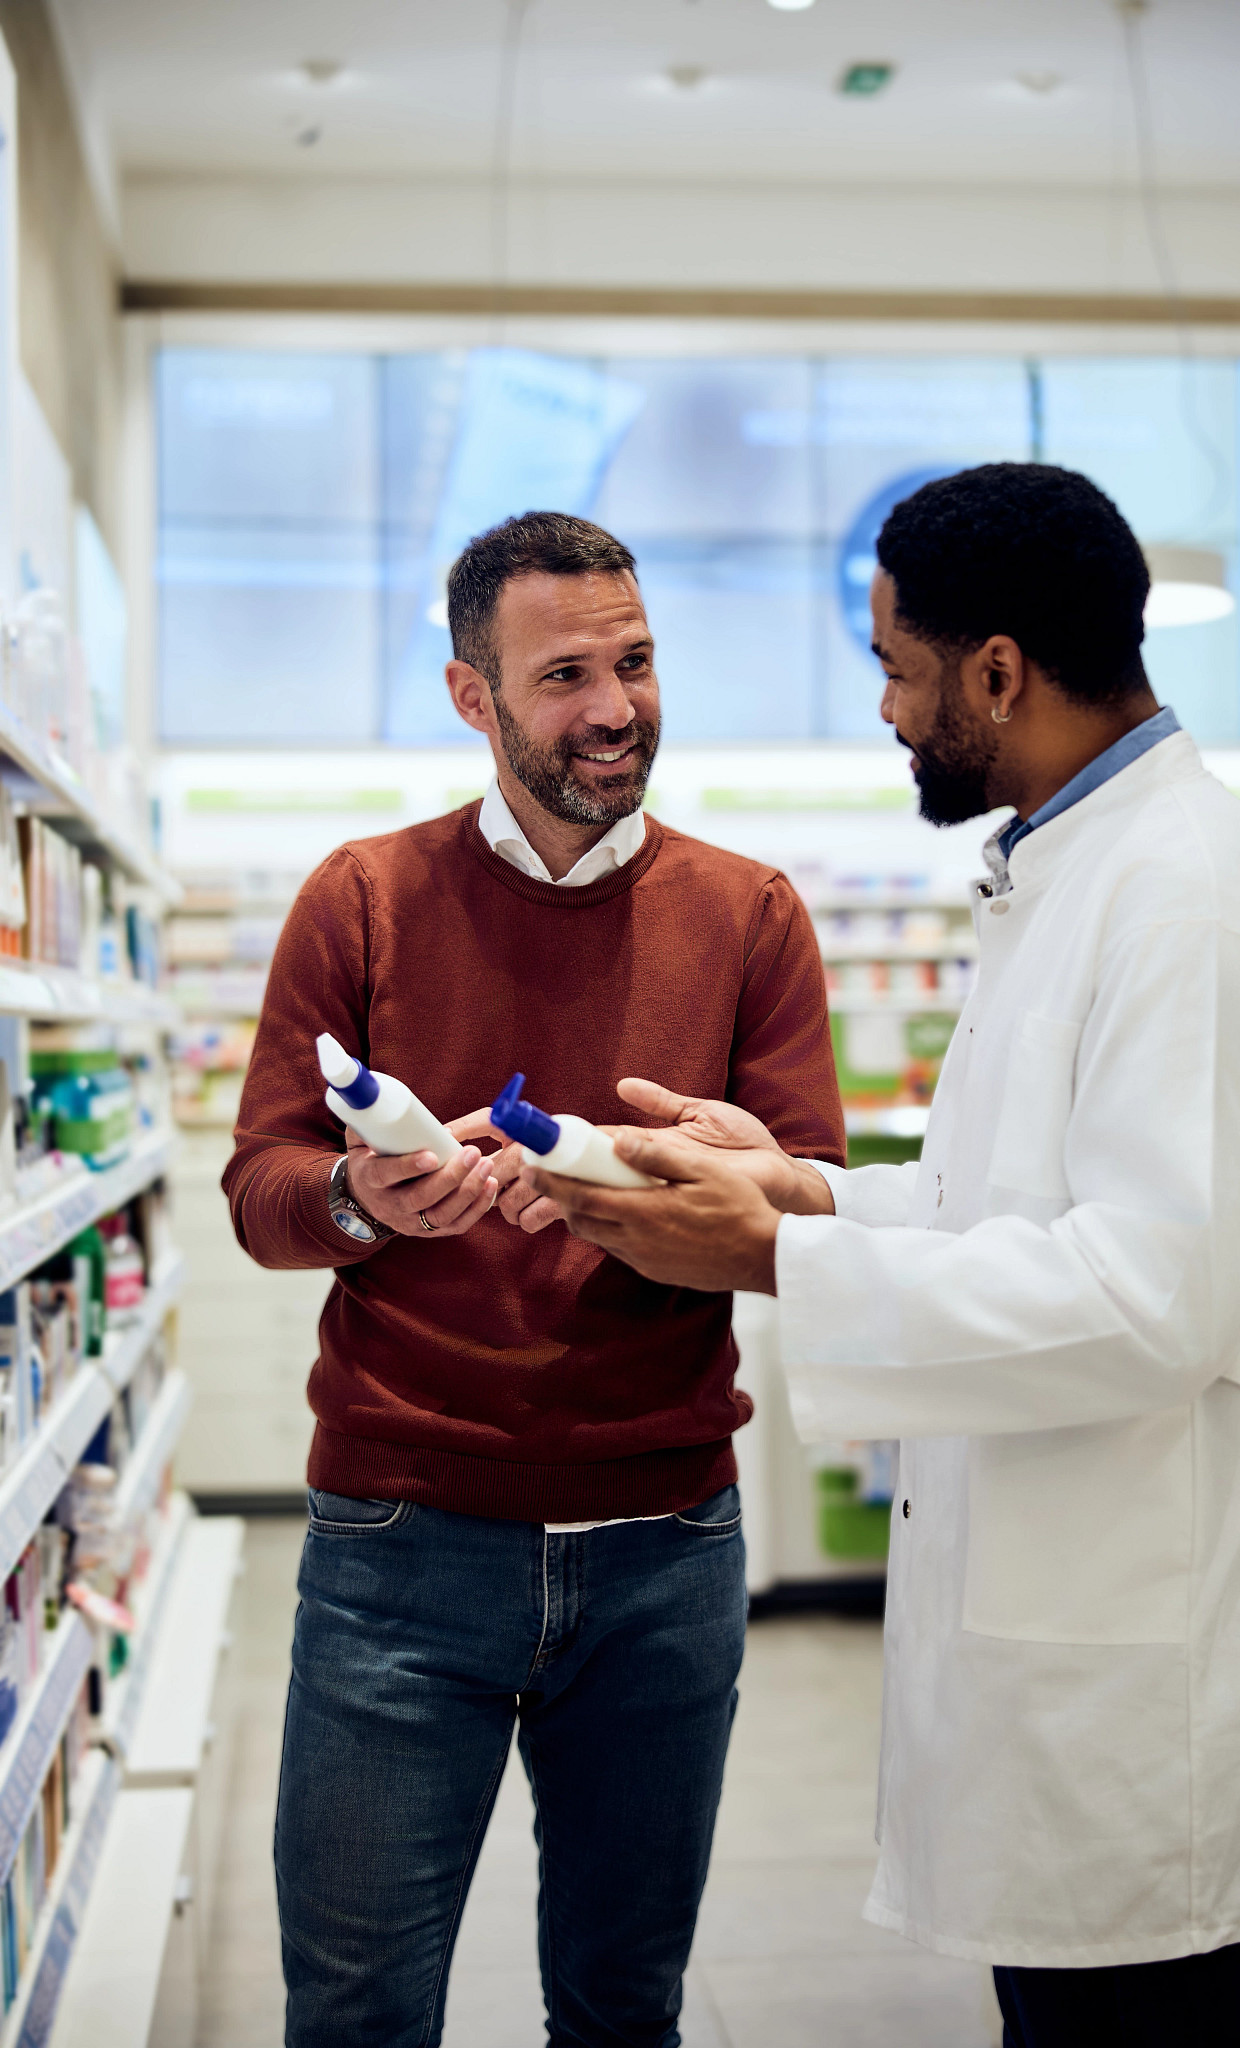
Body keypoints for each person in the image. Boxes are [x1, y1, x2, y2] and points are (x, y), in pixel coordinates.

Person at [529, 465, 1240, 2048]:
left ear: (994, 671)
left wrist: (774, 1263)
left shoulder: (1188, 900)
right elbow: (1011, 1203)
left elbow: (1149, 1297)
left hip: (1139, 1686)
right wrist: (800, 1196)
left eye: (896, 670)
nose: (886, 711)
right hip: (1065, 1656)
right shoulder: (1075, 871)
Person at [222, 510, 844, 2048]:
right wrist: (362, 1200)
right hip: (399, 1541)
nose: (616, 706)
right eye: (565, 675)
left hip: (662, 1544)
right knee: (357, 2012)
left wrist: (648, 1195)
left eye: (635, 662)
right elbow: (261, 1192)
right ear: (470, 696)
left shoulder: (749, 913)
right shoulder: (362, 897)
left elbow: (809, 1207)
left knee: (622, 2009)